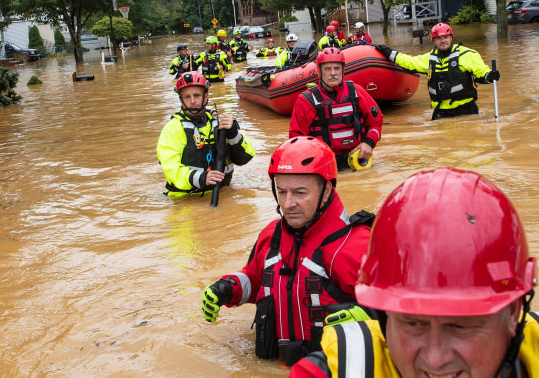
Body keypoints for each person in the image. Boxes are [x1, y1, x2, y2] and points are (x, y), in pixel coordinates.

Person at [290, 167, 539, 378]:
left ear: (514, 312)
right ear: (385, 316)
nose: (434, 361)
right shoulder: (341, 368)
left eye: (461, 327)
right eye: (412, 324)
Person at [201, 136, 374, 365]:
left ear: (326, 190)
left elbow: (406, 317)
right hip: (273, 365)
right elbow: (255, 280)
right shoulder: (271, 235)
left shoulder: (356, 245)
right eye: (282, 192)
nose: (288, 203)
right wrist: (229, 288)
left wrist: (373, 317)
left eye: (300, 193)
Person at [375, 22, 500, 120]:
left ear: (451, 38)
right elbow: (409, 62)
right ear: (433, 41)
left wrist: (489, 76)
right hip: (441, 112)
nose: (443, 41)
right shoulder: (429, 58)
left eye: (445, 37)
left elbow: (481, 72)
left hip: (466, 110)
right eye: (439, 38)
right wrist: (390, 53)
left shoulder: (467, 54)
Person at [157, 72, 254, 197]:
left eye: (197, 95)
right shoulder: (172, 128)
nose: (192, 101)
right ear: (180, 99)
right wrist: (202, 178)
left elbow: (246, 157)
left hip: (222, 194)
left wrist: (233, 133)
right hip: (185, 199)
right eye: (187, 97)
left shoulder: (220, 123)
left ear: (206, 95)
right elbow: (171, 170)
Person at [289, 48, 383, 171]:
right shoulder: (306, 100)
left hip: (357, 162)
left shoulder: (357, 92)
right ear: (320, 71)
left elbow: (376, 123)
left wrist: (368, 143)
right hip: (324, 165)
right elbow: (296, 140)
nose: (333, 73)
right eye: (327, 69)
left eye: (337, 68)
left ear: (343, 70)